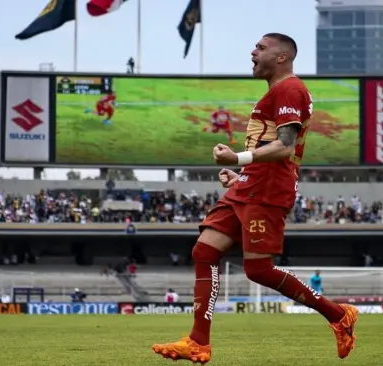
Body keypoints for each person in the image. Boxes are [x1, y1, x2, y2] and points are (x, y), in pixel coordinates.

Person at [152, 33, 358, 364]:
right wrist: (241, 176)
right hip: (250, 185)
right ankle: (198, 342)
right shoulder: (275, 92)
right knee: (204, 250)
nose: (253, 51)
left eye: (260, 48)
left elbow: (286, 147)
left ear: (282, 57)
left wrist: (237, 160)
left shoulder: (290, 89)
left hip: (269, 189)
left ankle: (337, 314)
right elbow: (271, 147)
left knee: (258, 269)